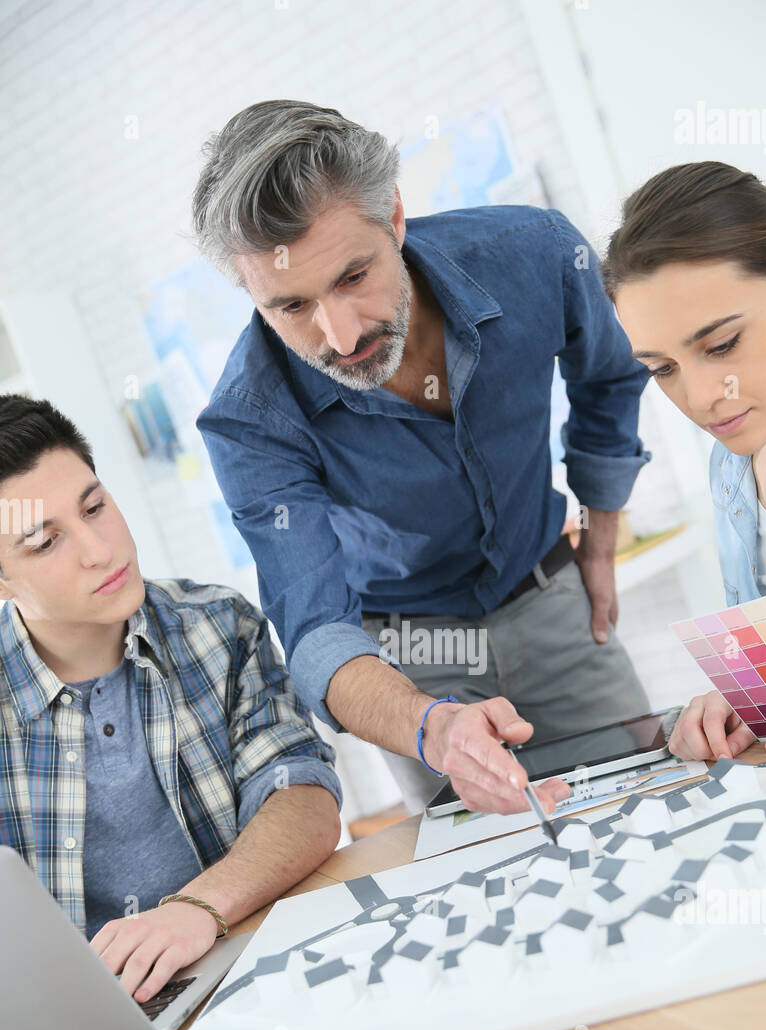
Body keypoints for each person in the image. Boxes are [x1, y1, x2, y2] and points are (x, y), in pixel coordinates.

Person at [191, 98, 653, 817]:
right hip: (410, 654)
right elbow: (316, 630)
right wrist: (431, 728)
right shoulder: (250, 420)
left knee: (650, 803)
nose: (340, 336)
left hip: (551, 594)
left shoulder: (534, 253)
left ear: (395, 217)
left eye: (352, 277)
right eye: (291, 307)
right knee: (486, 880)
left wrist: (601, 534)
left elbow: (612, 374)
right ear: (248, 292)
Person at [0, 395, 342, 1003]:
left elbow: (304, 798)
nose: (99, 550)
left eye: (95, 508)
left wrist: (196, 910)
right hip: (87, 1028)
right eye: (45, 542)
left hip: (257, 964)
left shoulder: (220, 624)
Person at [602, 160, 766, 763]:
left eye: (721, 345)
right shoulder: (732, 471)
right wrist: (740, 701)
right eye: (662, 369)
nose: (698, 399)